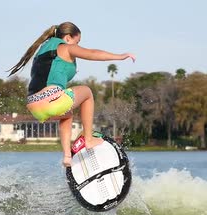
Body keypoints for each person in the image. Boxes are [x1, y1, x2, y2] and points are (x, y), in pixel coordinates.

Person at [7, 22, 135, 167]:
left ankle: (67, 156)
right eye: (77, 41)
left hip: (33, 105)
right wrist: (121, 56)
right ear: (68, 38)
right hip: (51, 100)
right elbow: (93, 54)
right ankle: (88, 139)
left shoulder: (43, 50)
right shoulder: (66, 47)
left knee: (67, 114)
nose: (77, 45)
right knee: (87, 92)